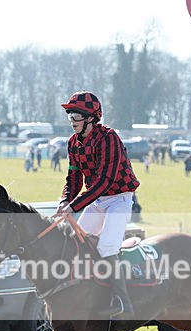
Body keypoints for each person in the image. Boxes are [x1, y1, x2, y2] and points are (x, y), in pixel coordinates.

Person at [56, 91, 140, 316]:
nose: (72, 121)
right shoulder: (73, 143)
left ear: (91, 118)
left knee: (106, 247)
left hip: (119, 199)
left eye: (76, 116)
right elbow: (73, 178)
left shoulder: (109, 138)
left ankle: (123, 302)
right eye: (70, 116)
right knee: (76, 243)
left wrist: (75, 206)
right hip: (97, 199)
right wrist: (65, 200)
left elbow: (105, 181)